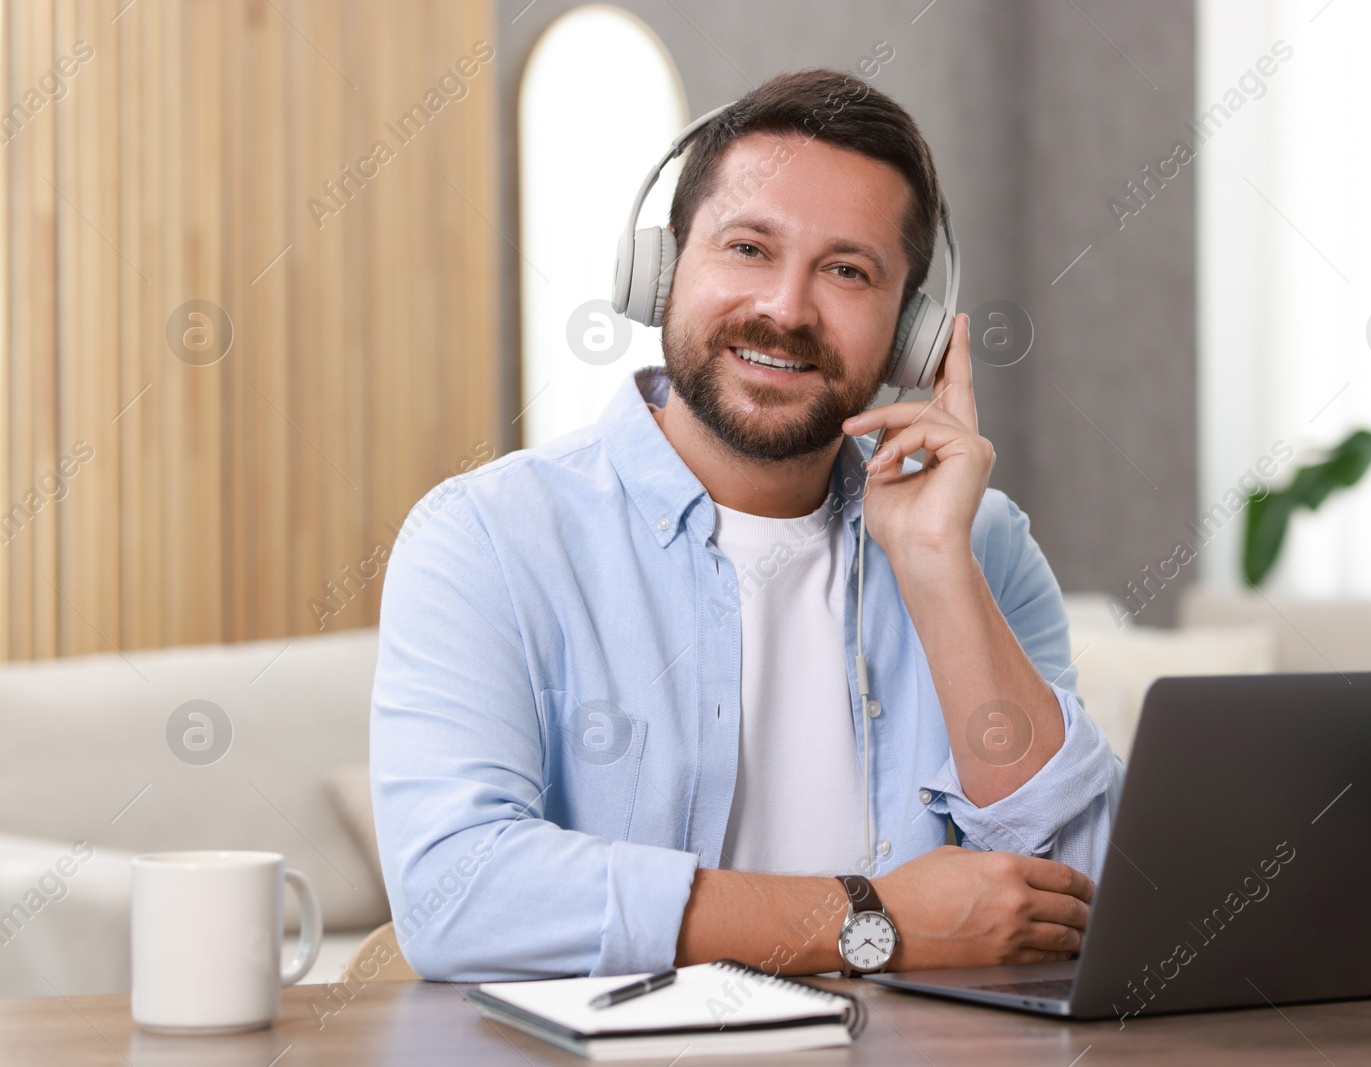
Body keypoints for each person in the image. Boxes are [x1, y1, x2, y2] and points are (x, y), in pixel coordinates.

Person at [371, 67, 1123, 981]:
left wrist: (934, 566)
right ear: (659, 271)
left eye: (848, 270)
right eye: (748, 248)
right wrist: (867, 918)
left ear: (913, 334)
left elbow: (1078, 895)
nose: (785, 309)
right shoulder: (486, 538)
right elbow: (457, 892)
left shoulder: (980, 543)